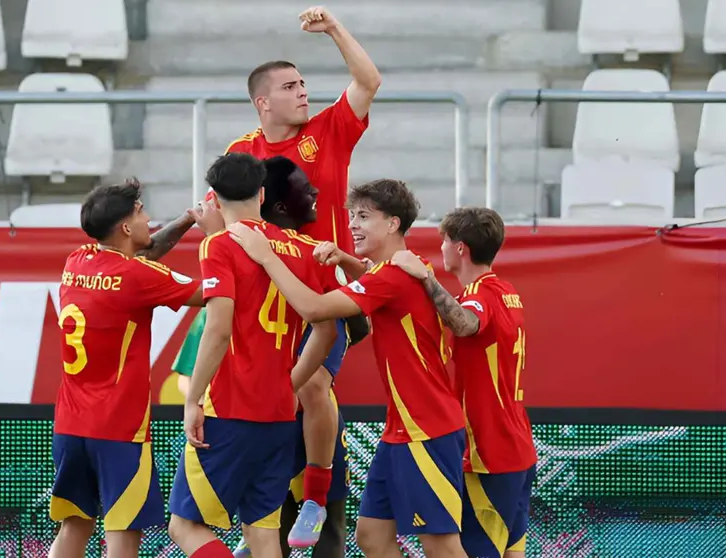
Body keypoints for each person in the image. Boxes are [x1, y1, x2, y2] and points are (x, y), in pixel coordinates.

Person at [228, 179, 468, 558]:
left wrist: (266, 256)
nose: (353, 224)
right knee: (372, 537)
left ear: (392, 224)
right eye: (352, 215)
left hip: (428, 427)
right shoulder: (406, 266)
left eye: (364, 217)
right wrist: (344, 259)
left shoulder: (393, 275)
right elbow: (374, 281)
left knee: (442, 547)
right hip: (400, 431)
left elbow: (313, 308)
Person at [226, 6, 381, 542]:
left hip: (323, 292)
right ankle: (260, 526)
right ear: (262, 101)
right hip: (263, 301)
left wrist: (335, 28)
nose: (302, 92)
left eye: (304, 83)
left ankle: (316, 499)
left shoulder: (329, 130)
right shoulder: (241, 152)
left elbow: (369, 80)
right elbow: (225, 223)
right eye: (290, 86)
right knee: (266, 400)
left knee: (311, 382)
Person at [167, 153, 338, 558]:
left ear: (215, 198)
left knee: (184, 525)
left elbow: (219, 327)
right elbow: (326, 328)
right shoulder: (303, 248)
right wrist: (290, 382)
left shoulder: (220, 245)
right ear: (261, 194)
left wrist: (193, 400)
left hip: (228, 410)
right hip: (279, 412)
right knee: (263, 533)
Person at [49, 179, 207, 558]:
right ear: (124, 227)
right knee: (123, 534)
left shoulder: (78, 260)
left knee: (74, 526)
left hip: (70, 426)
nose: (149, 218)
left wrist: (188, 219)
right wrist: (220, 238)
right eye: (141, 211)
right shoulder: (138, 278)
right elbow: (214, 294)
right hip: (119, 430)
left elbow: (142, 256)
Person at [391, 208, 538, 558]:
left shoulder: (481, 294)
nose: (439, 247)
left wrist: (426, 280)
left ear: (460, 248)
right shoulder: (507, 291)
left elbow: (466, 323)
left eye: (444, 240)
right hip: (516, 447)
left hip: (490, 452)